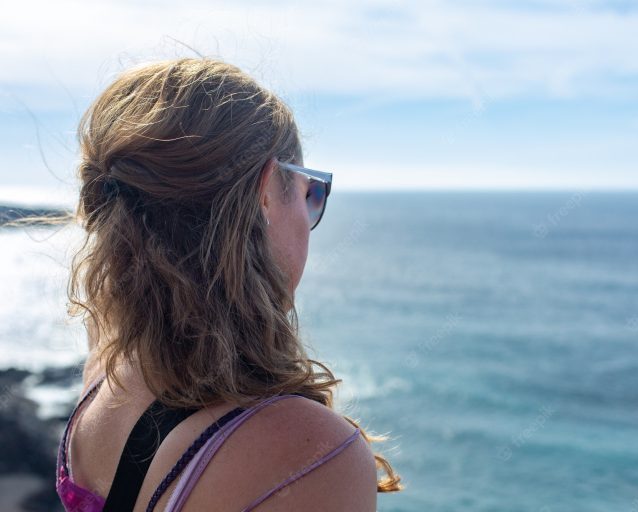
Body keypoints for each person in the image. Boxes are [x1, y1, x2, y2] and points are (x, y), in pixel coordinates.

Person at [55, 57, 402, 512]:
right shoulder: (313, 457)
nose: (311, 211)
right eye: (310, 191)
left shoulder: (106, 371)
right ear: (264, 194)